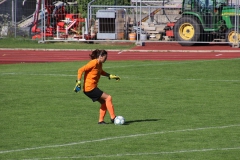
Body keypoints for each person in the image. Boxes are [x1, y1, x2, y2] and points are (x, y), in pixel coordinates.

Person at [74, 49, 120, 124]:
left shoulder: (99, 64)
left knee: (104, 102)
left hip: (91, 88)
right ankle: (113, 117)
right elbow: (80, 70)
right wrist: (78, 81)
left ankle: (101, 121)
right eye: (105, 57)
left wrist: (110, 76)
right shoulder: (93, 62)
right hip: (89, 88)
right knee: (108, 97)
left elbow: (101, 72)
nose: (106, 59)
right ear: (101, 56)